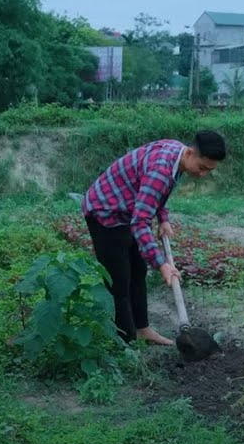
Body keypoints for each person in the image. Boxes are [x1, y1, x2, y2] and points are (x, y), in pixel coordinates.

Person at [80, 130, 227, 346]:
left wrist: (163, 218)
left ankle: (142, 329)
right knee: (119, 280)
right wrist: (162, 265)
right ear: (190, 152)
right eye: (203, 167)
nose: (203, 174)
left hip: (128, 209)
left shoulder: (177, 155)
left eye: (209, 170)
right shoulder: (162, 169)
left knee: (138, 270)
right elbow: (140, 222)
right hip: (106, 212)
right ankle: (125, 343)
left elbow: (156, 193)